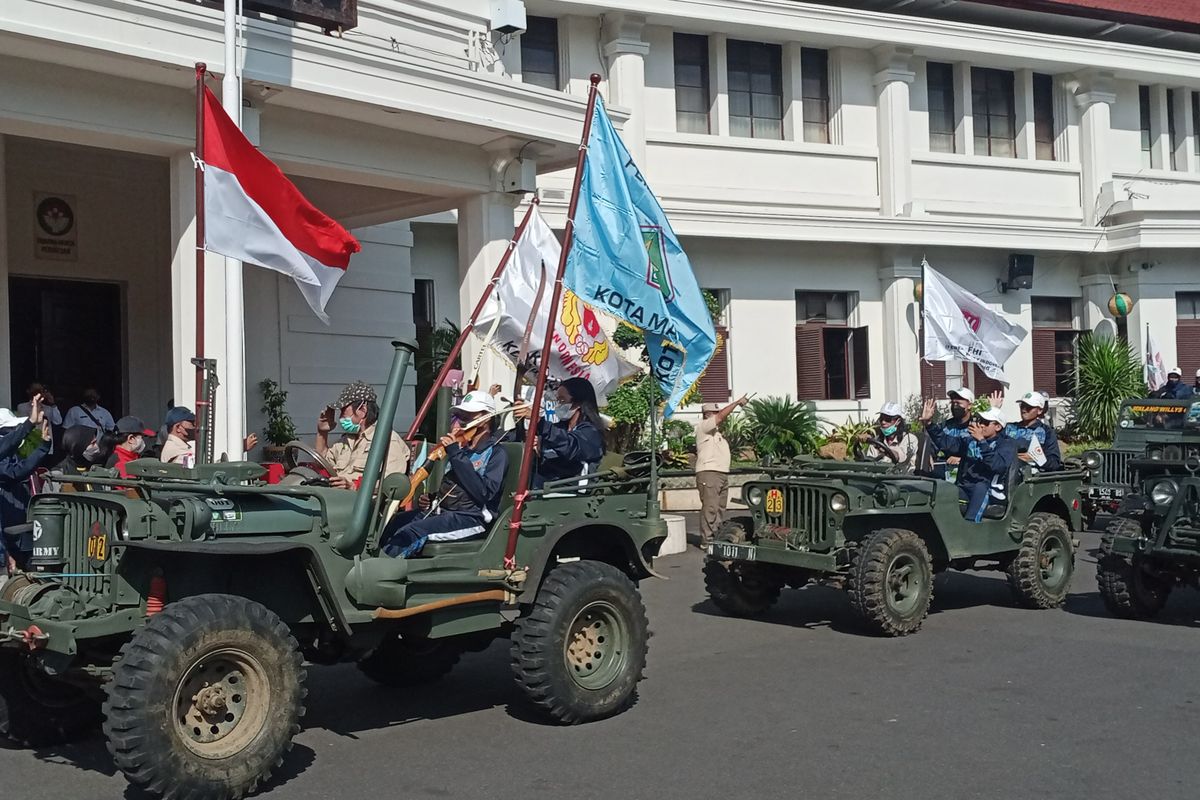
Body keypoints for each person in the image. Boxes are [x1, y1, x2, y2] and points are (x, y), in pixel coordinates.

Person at [380, 391, 509, 558]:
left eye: (468, 416)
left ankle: (383, 571)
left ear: (485, 419)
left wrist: (456, 454)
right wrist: (433, 498)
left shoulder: (496, 453)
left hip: (471, 518)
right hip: (443, 512)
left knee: (412, 532)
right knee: (395, 522)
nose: (462, 421)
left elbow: (485, 493)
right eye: (461, 415)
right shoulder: (462, 450)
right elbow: (456, 487)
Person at [511, 377, 605, 488]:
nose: (558, 405)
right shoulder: (561, 428)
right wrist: (537, 442)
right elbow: (550, 438)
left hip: (571, 492)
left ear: (578, 402)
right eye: (557, 400)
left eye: (562, 400)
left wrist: (538, 421)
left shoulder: (590, 432)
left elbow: (569, 445)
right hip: (547, 486)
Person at [316, 381, 409, 489]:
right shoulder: (347, 440)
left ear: (362, 410)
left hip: (362, 504)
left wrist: (353, 486)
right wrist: (322, 433)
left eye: (343, 411)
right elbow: (322, 463)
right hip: (335, 499)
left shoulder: (387, 441)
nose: (341, 417)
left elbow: (392, 483)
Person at [934, 408, 1020, 522]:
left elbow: (998, 466)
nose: (981, 425)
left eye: (985, 422)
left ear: (998, 427)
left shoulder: (1007, 444)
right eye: (980, 421)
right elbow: (947, 443)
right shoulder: (970, 440)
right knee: (943, 494)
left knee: (980, 488)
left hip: (990, 490)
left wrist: (982, 441)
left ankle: (971, 526)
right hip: (965, 486)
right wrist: (929, 424)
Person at [0, 396, 49, 576]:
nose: (16, 434)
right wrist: (41, 446)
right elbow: (16, 472)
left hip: (22, 523)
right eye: (11, 430)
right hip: (10, 527)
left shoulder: (16, 452)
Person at [693, 396, 748, 550]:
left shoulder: (717, 434)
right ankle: (707, 540)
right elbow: (722, 416)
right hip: (709, 472)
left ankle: (715, 537)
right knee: (710, 507)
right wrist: (736, 403)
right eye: (715, 412)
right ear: (707, 414)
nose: (719, 415)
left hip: (721, 473)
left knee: (719, 508)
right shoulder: (704, 427)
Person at [1001, 391, 1063, 471]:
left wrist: (1036, 458)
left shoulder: (1047, 432)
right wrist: (994, 408)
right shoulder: (1009, 428)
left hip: (1032, 478)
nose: (1024, 409)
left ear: (1039, 410)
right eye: (1022, 405)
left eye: (1029, 407)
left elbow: (1055, 463)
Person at [860, 401, 919, 469]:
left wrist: (878, 447)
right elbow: (870, 462)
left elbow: (899, 458)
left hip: (904, 476)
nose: (883, 422)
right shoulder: (877, 440)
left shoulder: (909, 439)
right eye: (881, 418)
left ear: (898, 421)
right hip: (882, 476)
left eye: (888, 419)